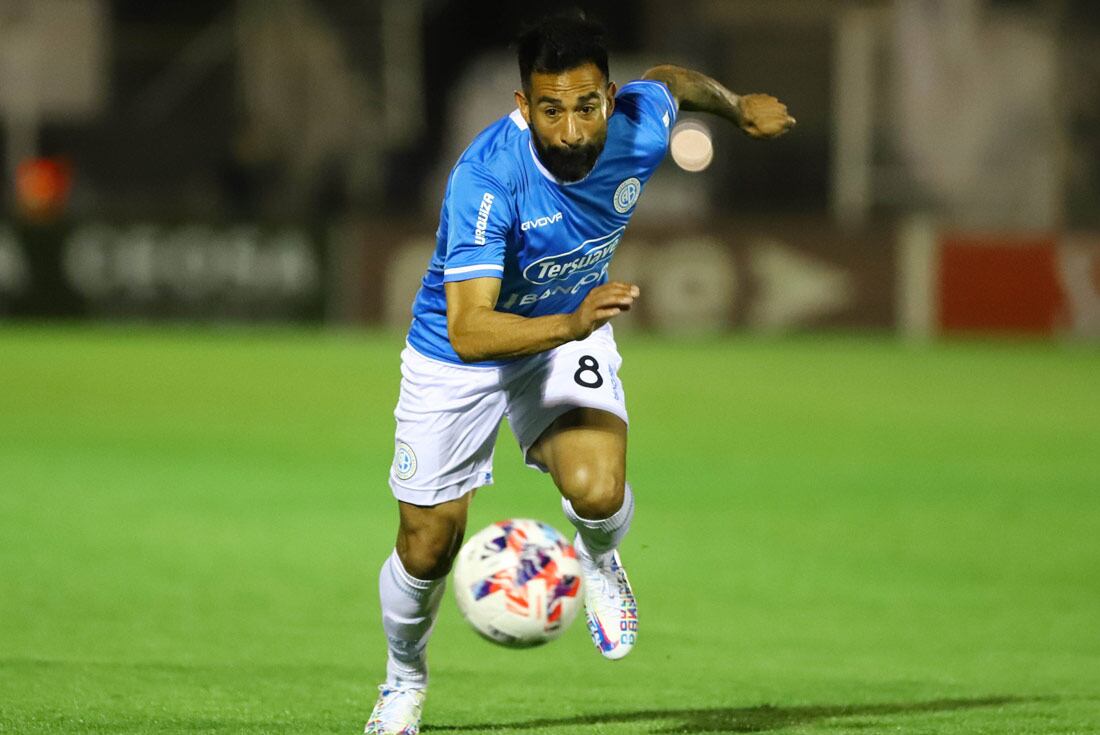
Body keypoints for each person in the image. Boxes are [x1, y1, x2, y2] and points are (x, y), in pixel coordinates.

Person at [365, 13, 794, 735]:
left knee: (599, 490)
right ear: (523, 105)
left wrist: (736, 104)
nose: (570, 130)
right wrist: (573, 321)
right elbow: (472, 329)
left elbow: (673, 83)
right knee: (427, 545)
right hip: (457, 357)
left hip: (566, 336)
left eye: (586, 106)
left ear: (608, 97)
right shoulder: (486, 180)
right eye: (551, 110)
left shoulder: (638, 124)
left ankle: (598, 559)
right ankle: (403, 681)